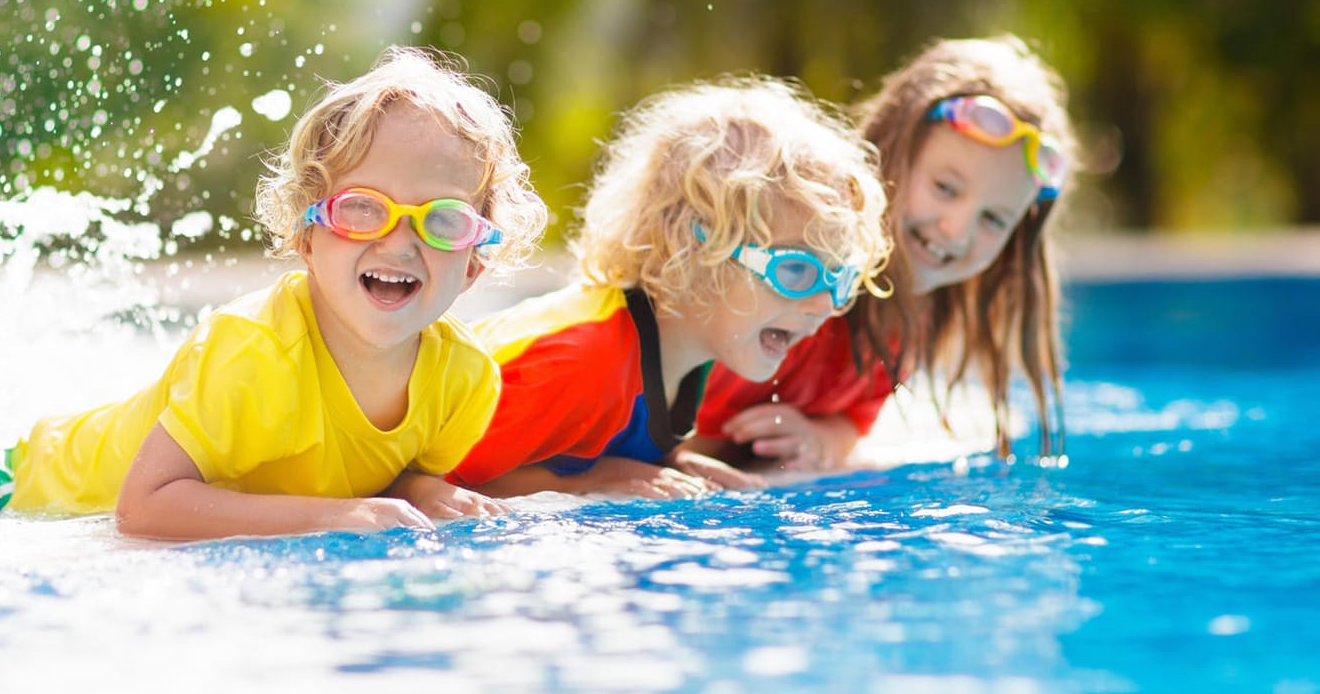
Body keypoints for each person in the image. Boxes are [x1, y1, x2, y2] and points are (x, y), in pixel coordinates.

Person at [0, 47, 549, 540]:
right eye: (364, 209)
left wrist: (418, 491)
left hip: (70, 471)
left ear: (478, 255)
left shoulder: (463, 382)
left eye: (440, 221)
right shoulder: (254, 352)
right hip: (40, 487)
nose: (399, 240)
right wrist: (335, 518)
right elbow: (144, 510)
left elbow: (383, 473)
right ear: (307, 232)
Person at [445, 77, 893, 499]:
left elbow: (603, 440)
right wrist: (599, 479)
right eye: (796, 271)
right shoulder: (583, 360)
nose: (827, 305)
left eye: (841, 280)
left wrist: (678, 463)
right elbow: (435, 482)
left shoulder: (684, 356)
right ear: (693, 250)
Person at [683, 35, 1078, 473]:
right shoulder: (790, 272)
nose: (957, 230)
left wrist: (820, 439)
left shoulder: (911, 315)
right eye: (944, 188)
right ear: (885, 152)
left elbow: (854, 420)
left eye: (993, 220)